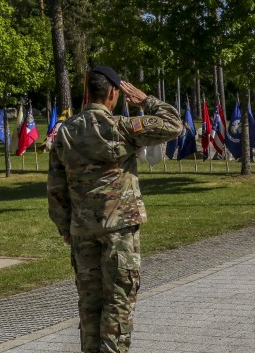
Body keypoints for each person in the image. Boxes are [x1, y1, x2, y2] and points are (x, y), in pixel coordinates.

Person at [47, 66, 183, 353]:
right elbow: (173, 124)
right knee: (118, 301)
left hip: (82, 233)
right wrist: (145, 100)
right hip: (119, 231)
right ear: (112, 93)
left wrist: (66, 229)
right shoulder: (122, 128)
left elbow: (56, 190)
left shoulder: (65, 132)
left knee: (89, 305)